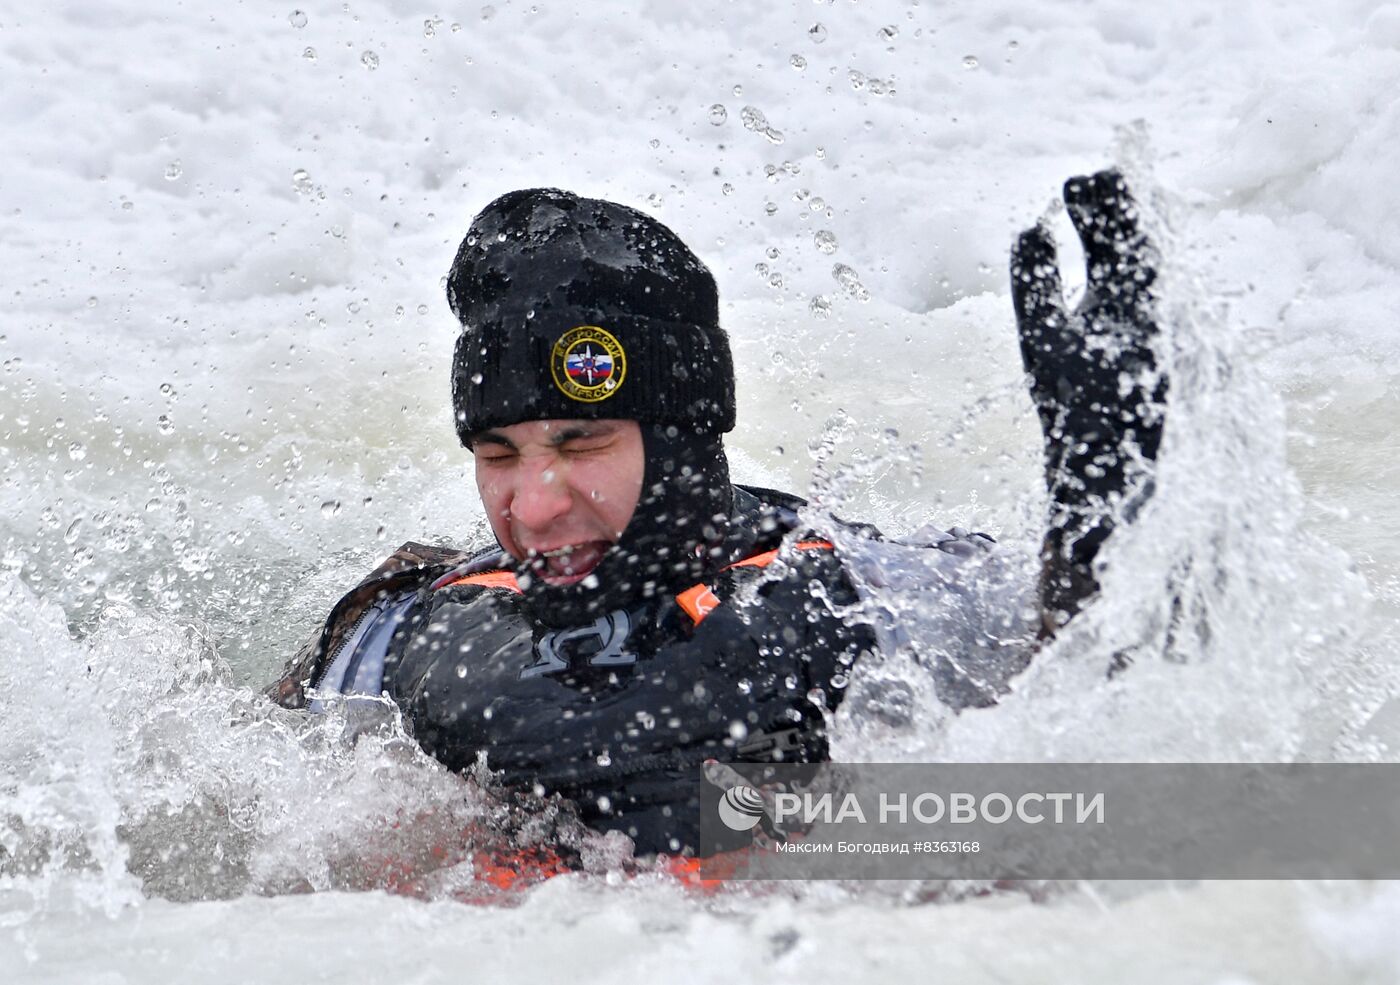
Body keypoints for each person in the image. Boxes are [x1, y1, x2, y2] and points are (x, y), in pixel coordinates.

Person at [267, 170, 1166, 858]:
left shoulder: (861, 599)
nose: (533, 505)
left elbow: (1120, 719)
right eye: (498, 455)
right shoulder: (396, 633)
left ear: (682, 441)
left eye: (581, 444)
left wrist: (1099, 513)